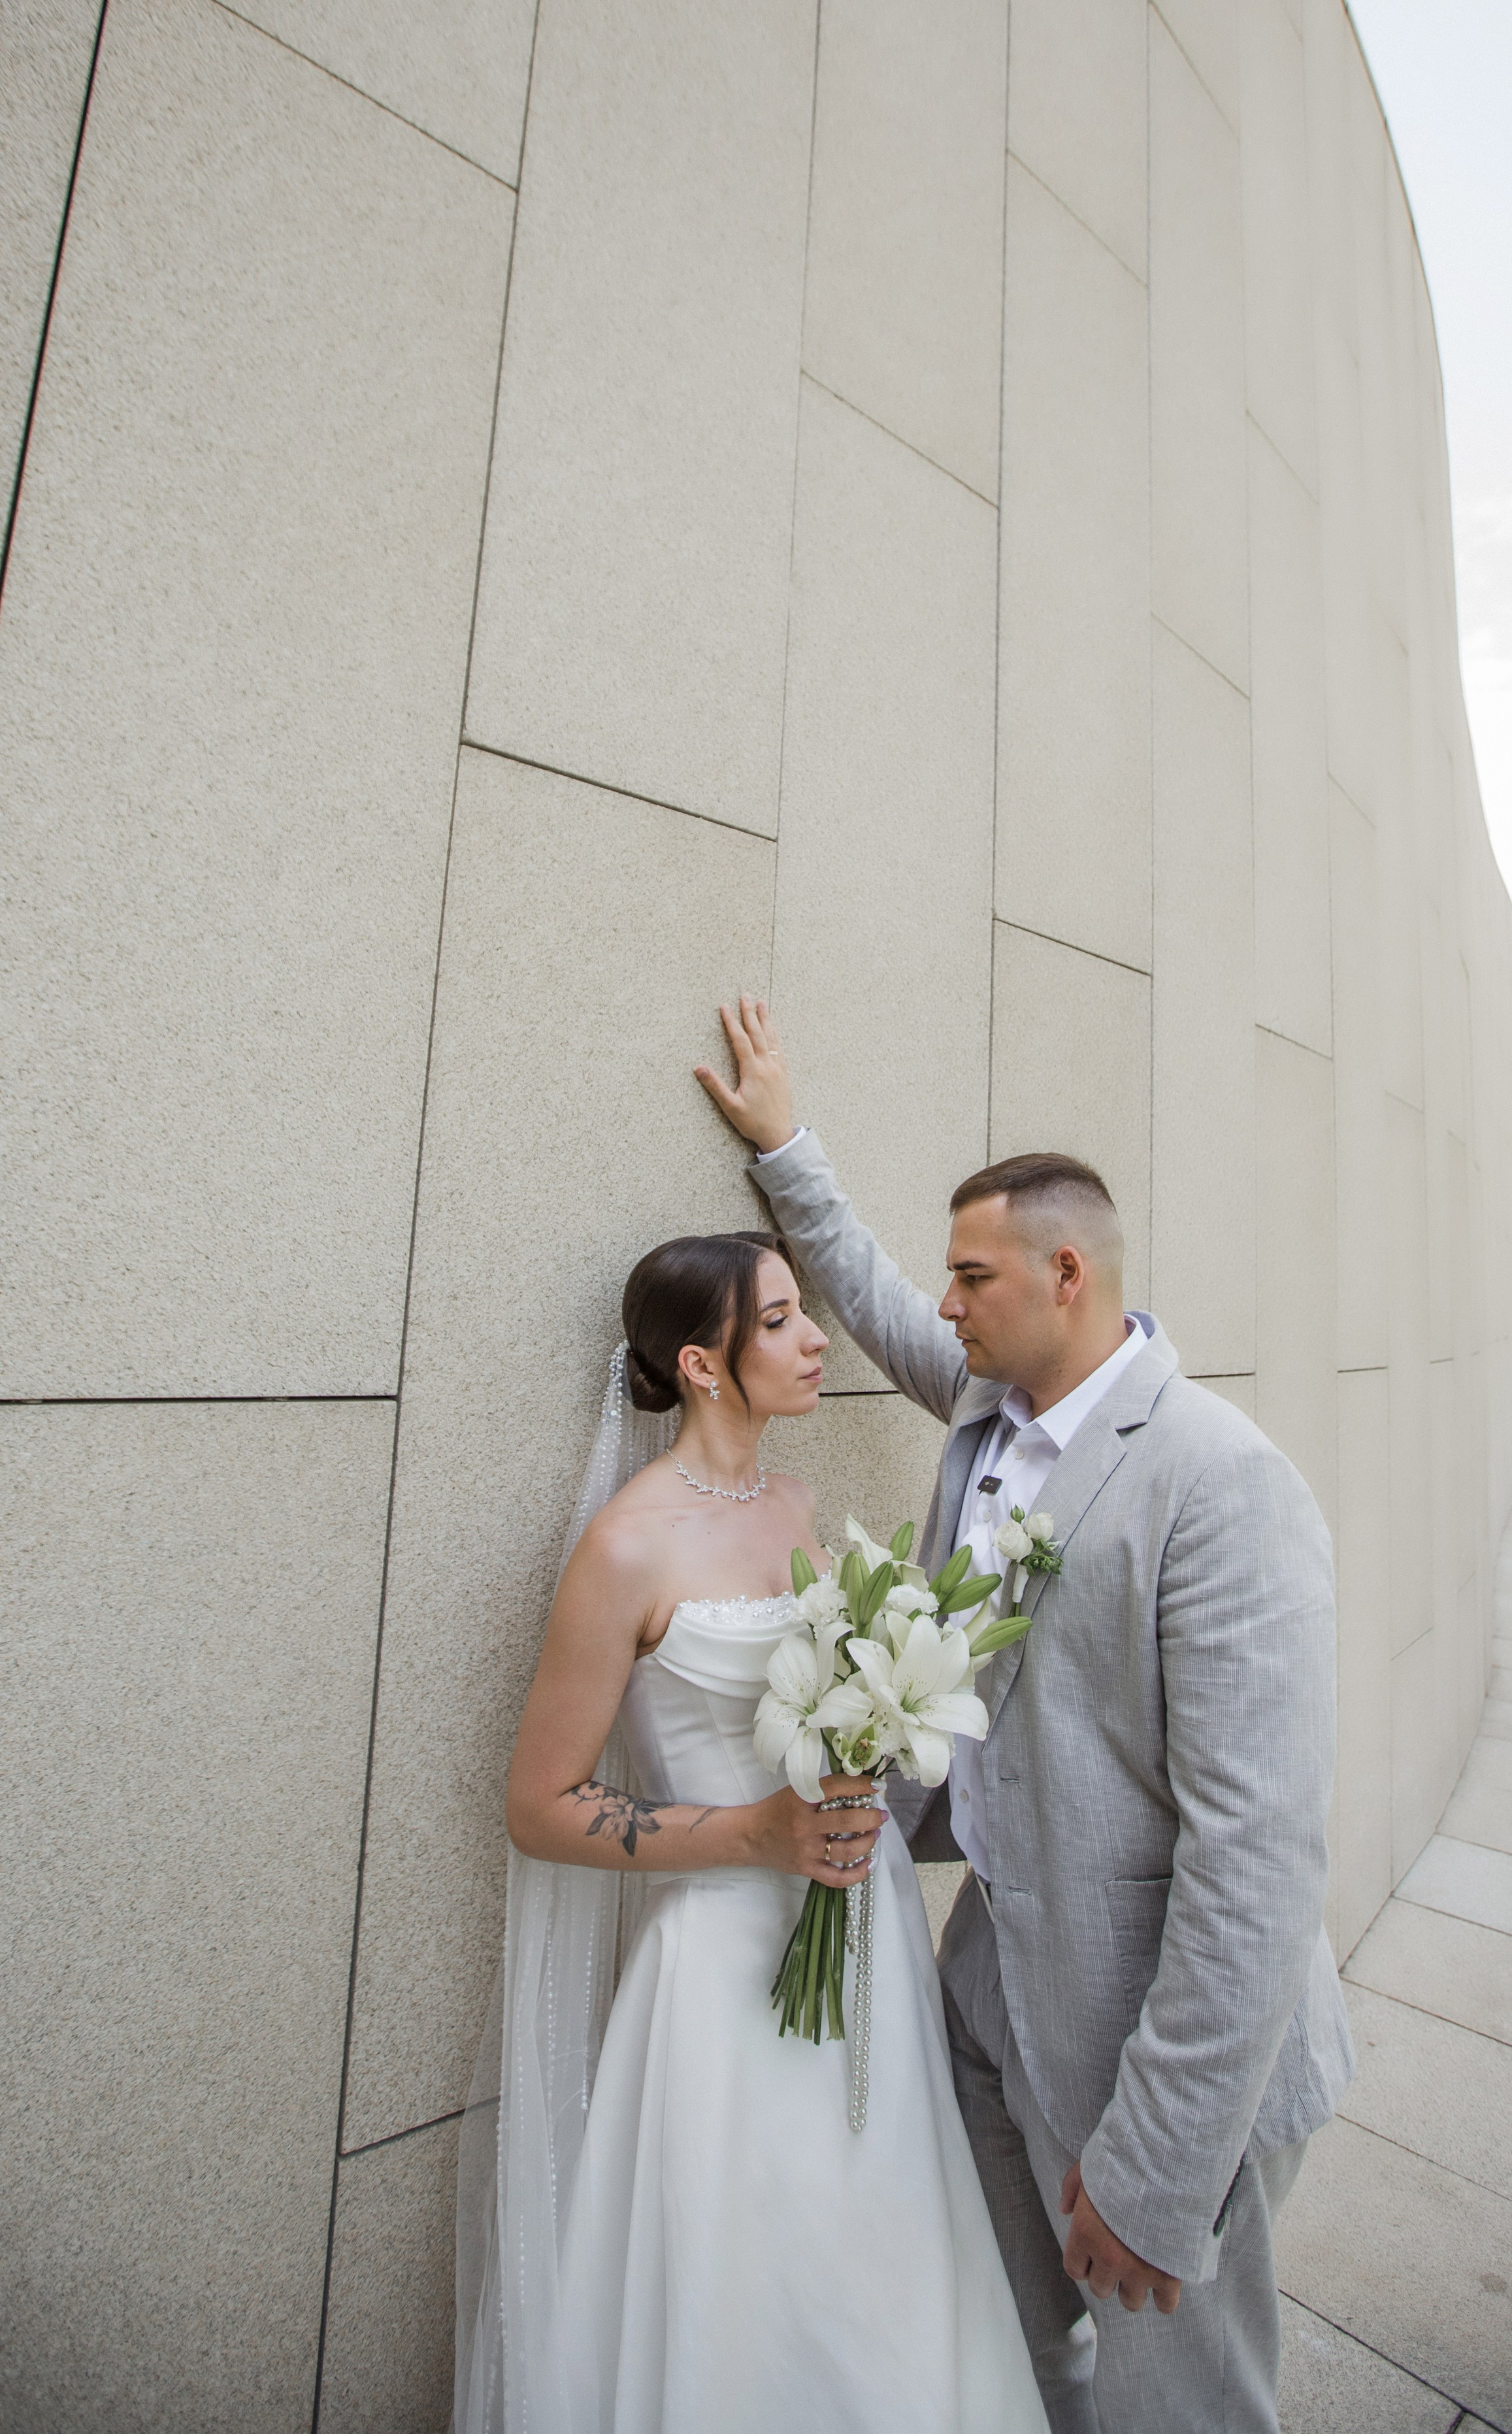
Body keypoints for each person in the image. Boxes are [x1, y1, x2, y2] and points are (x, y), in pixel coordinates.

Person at [695, 997, 1355, 2434]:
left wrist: (1156, 2173)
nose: (943, 1304)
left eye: (970, 1276)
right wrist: (781, 1146)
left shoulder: (1221, 1485)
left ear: (1066, 1275)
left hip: (1156, 2051)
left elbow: (1254, 1868)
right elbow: (870, 1295)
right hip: (988, 1991)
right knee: (1005, 2357)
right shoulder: (991, 1406)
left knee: (1173, 2410)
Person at [453, 1227, 1049, 2434]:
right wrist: (751, 1836)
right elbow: (540, 1802)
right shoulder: (626, 1548)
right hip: (726, 1962)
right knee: (755, 2283)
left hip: (861, 1925)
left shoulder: (796, 1502)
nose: (817, 1336)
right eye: (779, 1321)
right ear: (704, 1365)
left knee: (882, 2254)